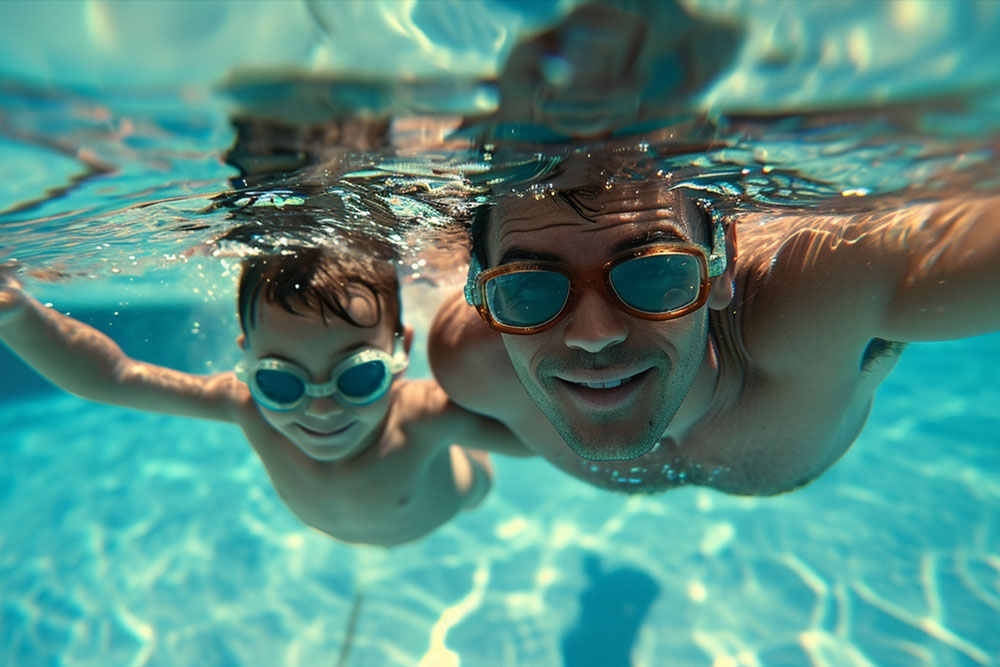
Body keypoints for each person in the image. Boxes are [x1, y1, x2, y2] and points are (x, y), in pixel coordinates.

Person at [429, 167, 1000, 495]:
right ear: (483, 299)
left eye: (655, 272)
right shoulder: (472, 367)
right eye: (530, 288)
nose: (594, 333)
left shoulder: (816, 300)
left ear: (721, 269)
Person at [0, 240, 527, 546]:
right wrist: (15, 314)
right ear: (248, 363)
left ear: (401, 352)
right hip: (371, 524)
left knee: (480, 447)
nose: (322, 408)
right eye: (281, 382)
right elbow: (116, 377)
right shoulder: (243, 406)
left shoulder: (424, 416)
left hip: (459, 495)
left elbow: (541, 442)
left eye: (358, 376)